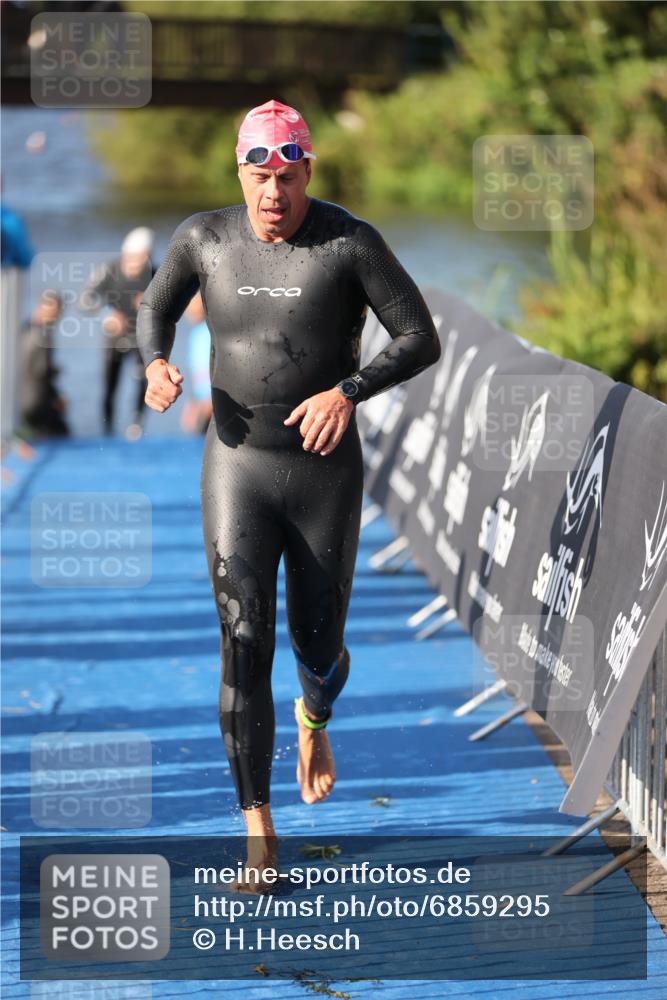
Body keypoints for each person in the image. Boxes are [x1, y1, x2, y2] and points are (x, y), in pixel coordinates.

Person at [136, 99, 441, 889]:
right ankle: (257, 832)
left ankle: (315, 717)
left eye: (287, 175)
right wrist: (154, 364)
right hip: (235, 464)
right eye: (258, 174)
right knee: (243, 645)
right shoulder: (204, 238)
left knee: (315, 644)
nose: (272, 192)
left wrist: (348, 389)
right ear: (239, 172)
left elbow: (418, 336)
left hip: (322, 471)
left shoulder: (347, 241)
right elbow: (154, 307)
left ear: (307, 170)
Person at [80, 226, 155, 440]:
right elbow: (84, 300)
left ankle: (136, 426)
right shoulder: (108, 270)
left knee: (144, 379)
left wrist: (152, 303)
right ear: (125, 254)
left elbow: (172, 301)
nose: (139, 264)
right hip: (114, 336)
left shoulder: (155, 273)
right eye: (135, 258)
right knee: (110, 383)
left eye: (144, 258)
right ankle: (107, 429)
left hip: (143, 337)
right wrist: (107, 314)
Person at [18, 290, 69, 440]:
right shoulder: (41, 336)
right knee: (61, 433)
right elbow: (40, 372)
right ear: (41, 308)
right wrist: (56, 396)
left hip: (19, 397)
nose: (56, 316)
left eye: (59, 312)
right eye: (54, 311)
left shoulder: (24, 329)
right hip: (35, 401)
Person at [179, 292, 212, 435]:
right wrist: (193, 400)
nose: (188, 311)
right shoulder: (196, 334)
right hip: (201, 400)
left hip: (214, 401)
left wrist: (210, 401)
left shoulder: (211, 333)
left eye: (194, 305)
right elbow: (197, 374)